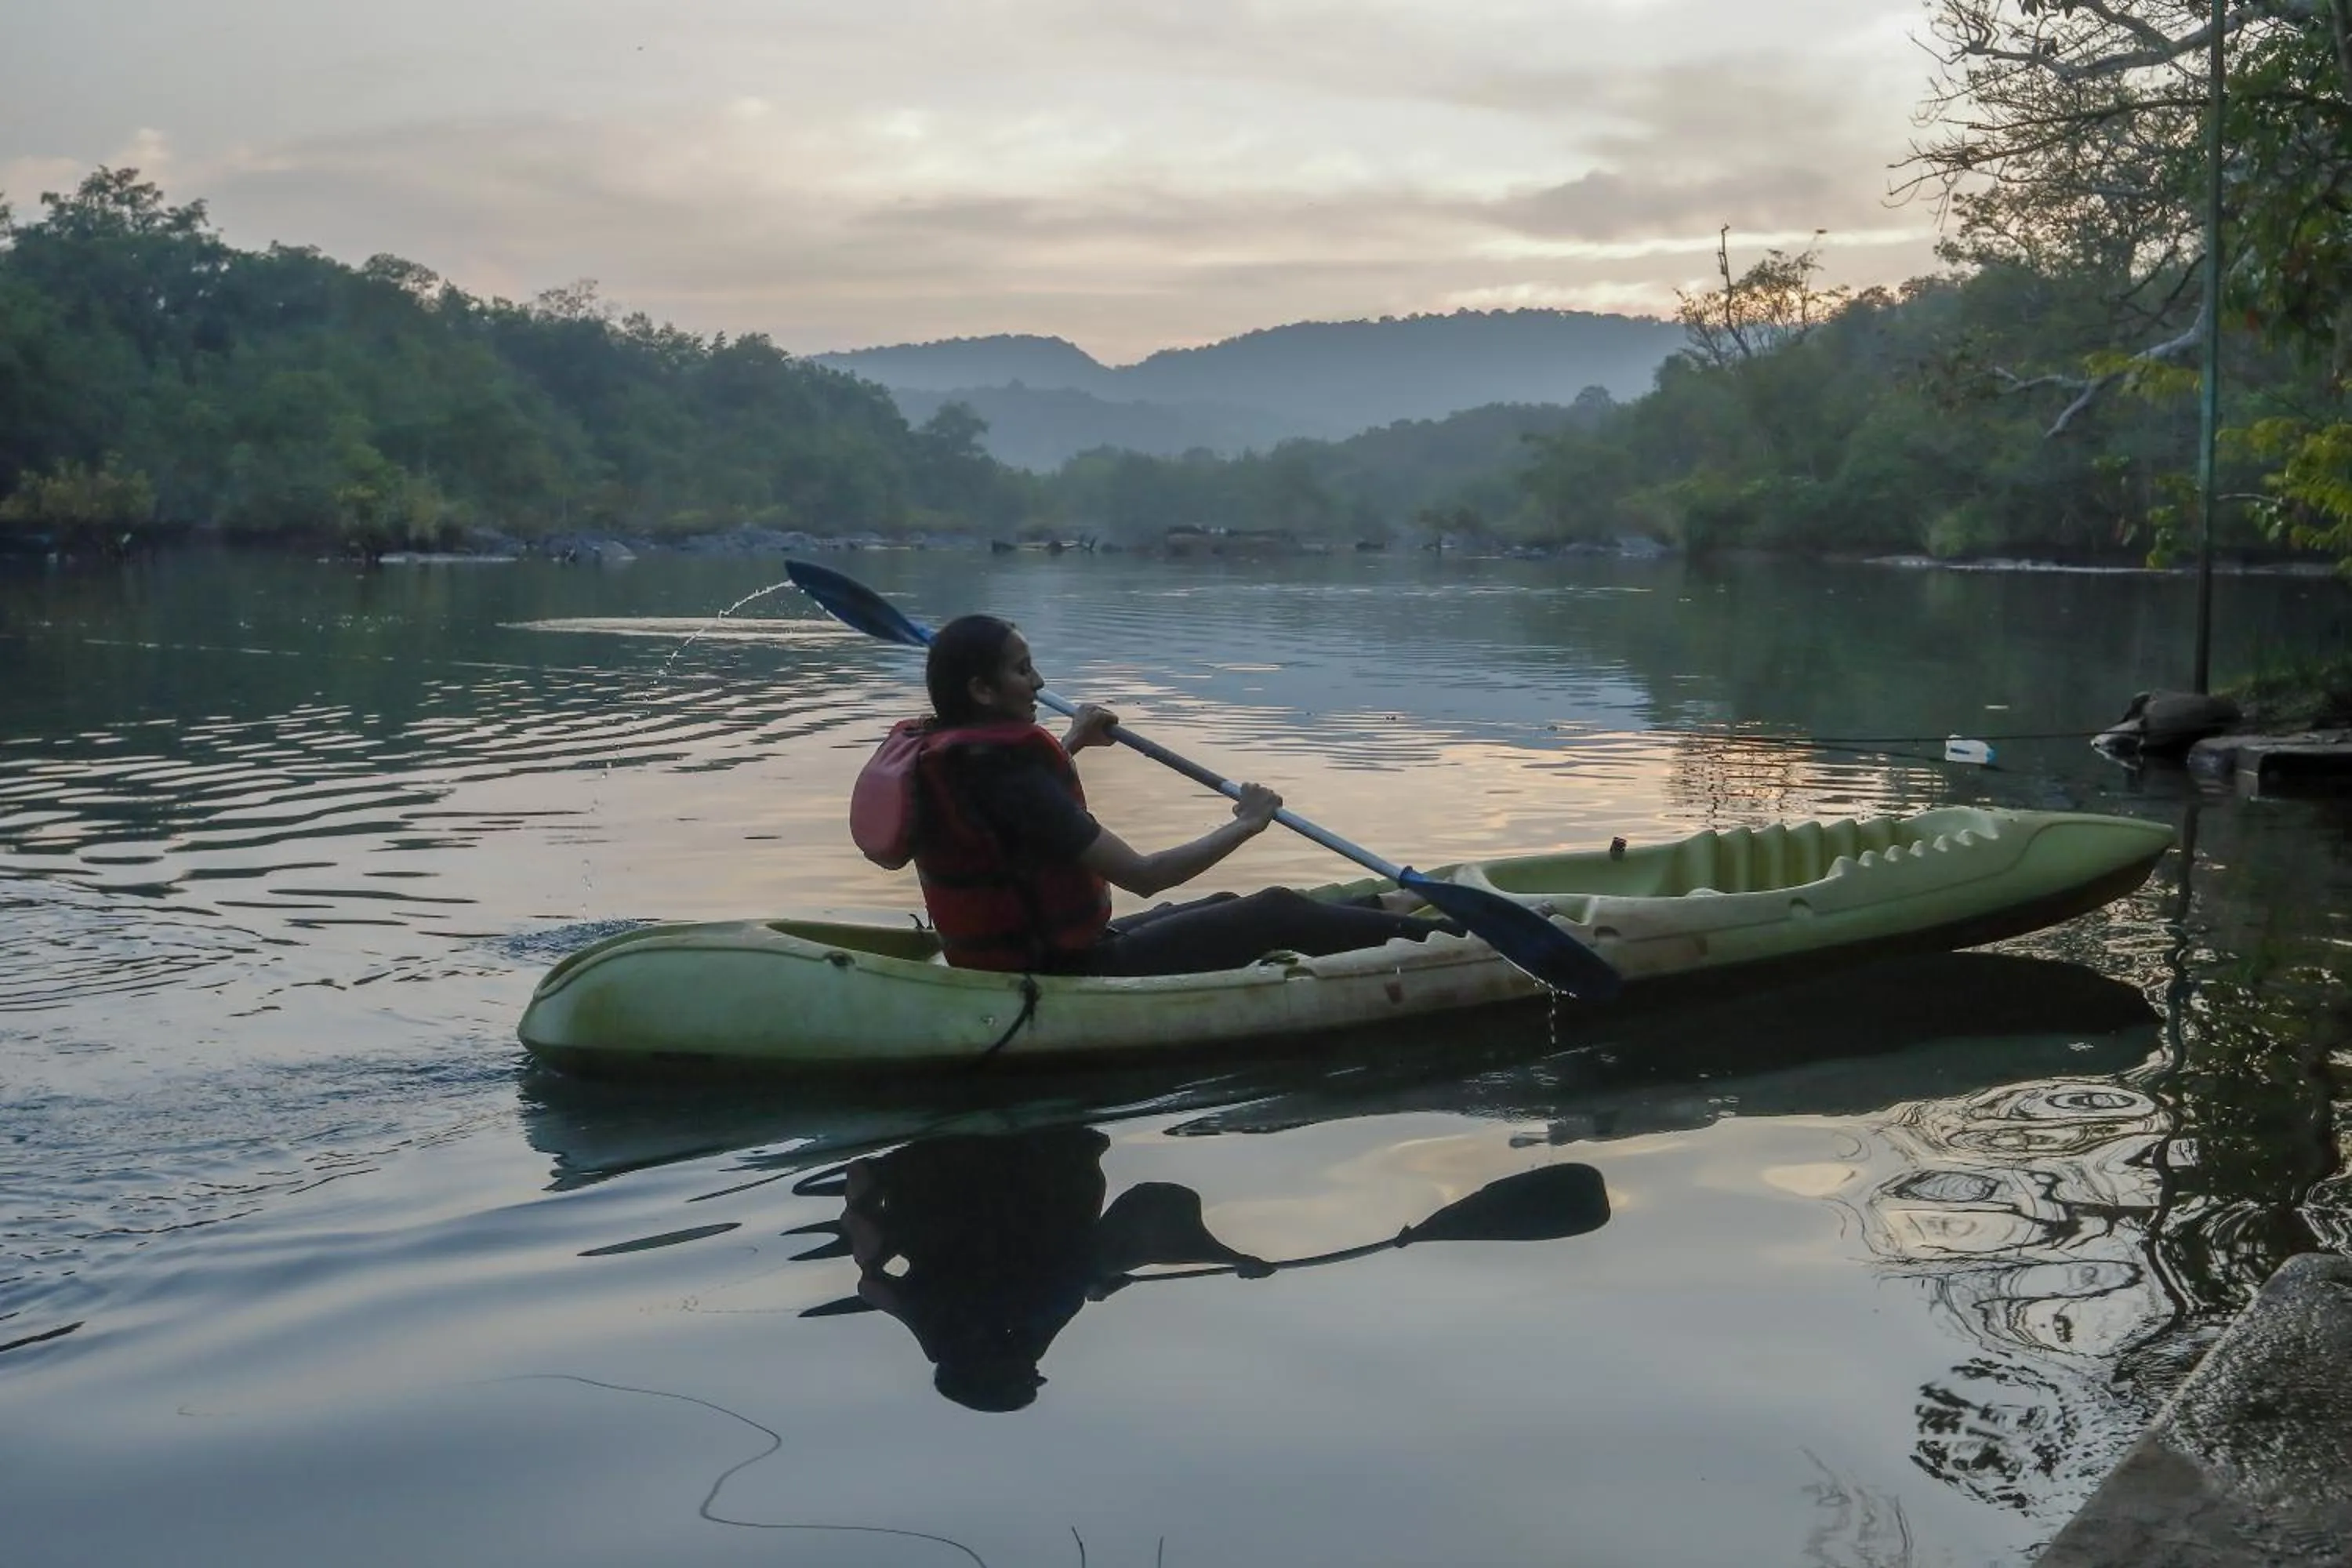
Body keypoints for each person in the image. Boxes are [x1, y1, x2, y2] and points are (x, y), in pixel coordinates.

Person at [896, 613, 1461, 976]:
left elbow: (1008, 817)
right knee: (1271, 911)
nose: (1040, 683)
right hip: (1067, 968)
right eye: (1023, 671)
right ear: (982, 690)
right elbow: (1146, 876)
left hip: (1027, 953)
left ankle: (1387, 907)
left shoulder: (954, 754)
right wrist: (1247, 823)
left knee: (1223, 907)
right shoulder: (1008, 774)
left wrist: (1073, 742)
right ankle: (1449, 944)